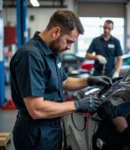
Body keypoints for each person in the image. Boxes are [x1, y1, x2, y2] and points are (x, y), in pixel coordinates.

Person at [10, 10, 112, 150]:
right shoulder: (31, 56)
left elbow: (63, 82)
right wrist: (76, 105)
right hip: (35, 132)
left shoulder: (52, 52)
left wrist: (89, 80)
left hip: (51, 127)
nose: (69, 47)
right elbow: (36, 109)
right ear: (56, 32)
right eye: (69, 41)